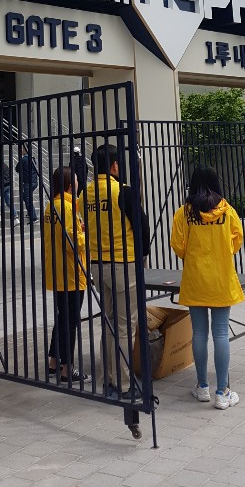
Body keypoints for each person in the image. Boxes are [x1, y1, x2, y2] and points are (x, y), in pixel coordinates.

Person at [78, 144, 150, 398]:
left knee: (107, 322)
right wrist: (143, 254)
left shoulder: (84, 194)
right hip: (123, 264)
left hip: (98, 266)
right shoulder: (123, 191)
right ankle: (125, 384)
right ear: (115, 166)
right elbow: (142, 227)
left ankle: (107, 379)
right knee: (124, 326)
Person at [170, 166, 244, 410]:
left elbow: (177, 245)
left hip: (195, 280)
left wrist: (191, 255)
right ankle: (222, 392)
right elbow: (237, 240)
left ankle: (202, 387)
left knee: (199, 333)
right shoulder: (227, 210)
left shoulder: (184, 212)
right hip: (221, 280)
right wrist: (222, 251)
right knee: (221, 333)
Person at [44, 166, 87, 383]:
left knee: (62, 317)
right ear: (70, 185)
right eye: (77, 180)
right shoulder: (68, 208)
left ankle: (54, 361)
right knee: (70, 321)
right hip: (71, 272)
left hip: (57, 270)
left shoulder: (50, 206)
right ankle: (67, 369)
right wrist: (88, 236)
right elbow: (72, 242)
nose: (79, 183)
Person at [15, 142, 39, 223]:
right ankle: (29, 213)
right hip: (34, 182)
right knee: (26, 197)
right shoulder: (33, 158)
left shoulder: (24, 159)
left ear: (25, 150)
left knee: (28, 199)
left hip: (28, 182)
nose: (21, 150)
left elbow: (17, 168)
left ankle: (34, 217)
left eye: (22, 149)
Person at [0, 151, 19, 223]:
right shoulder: (4, 164)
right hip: (8, 184)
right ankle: (15, 217)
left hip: (2, 185)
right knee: (9, 202)